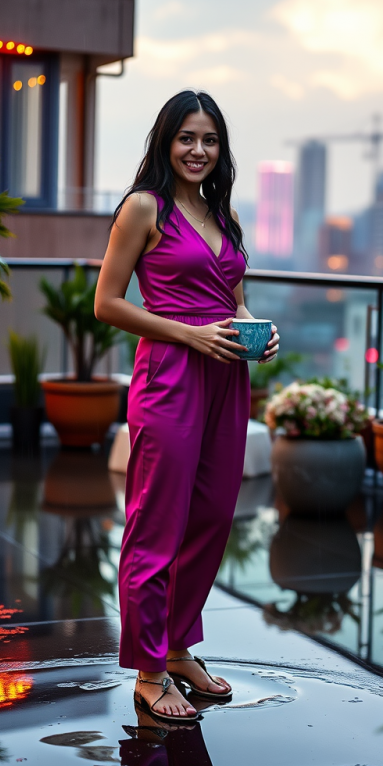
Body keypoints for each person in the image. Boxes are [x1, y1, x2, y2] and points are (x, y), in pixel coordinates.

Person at [95, 90, 279, 724]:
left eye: (210, 140)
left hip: (227, 377)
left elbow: (235, 298)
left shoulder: (222, 216)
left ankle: (177, 649)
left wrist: (257, 329)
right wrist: (188, 332)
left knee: (210, 519)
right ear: (165, 143)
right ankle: (147, 672)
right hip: (170, 373)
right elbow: (108, 303)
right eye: (187, 138)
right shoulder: (145, 208)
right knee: (157, 523)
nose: (198, 151)